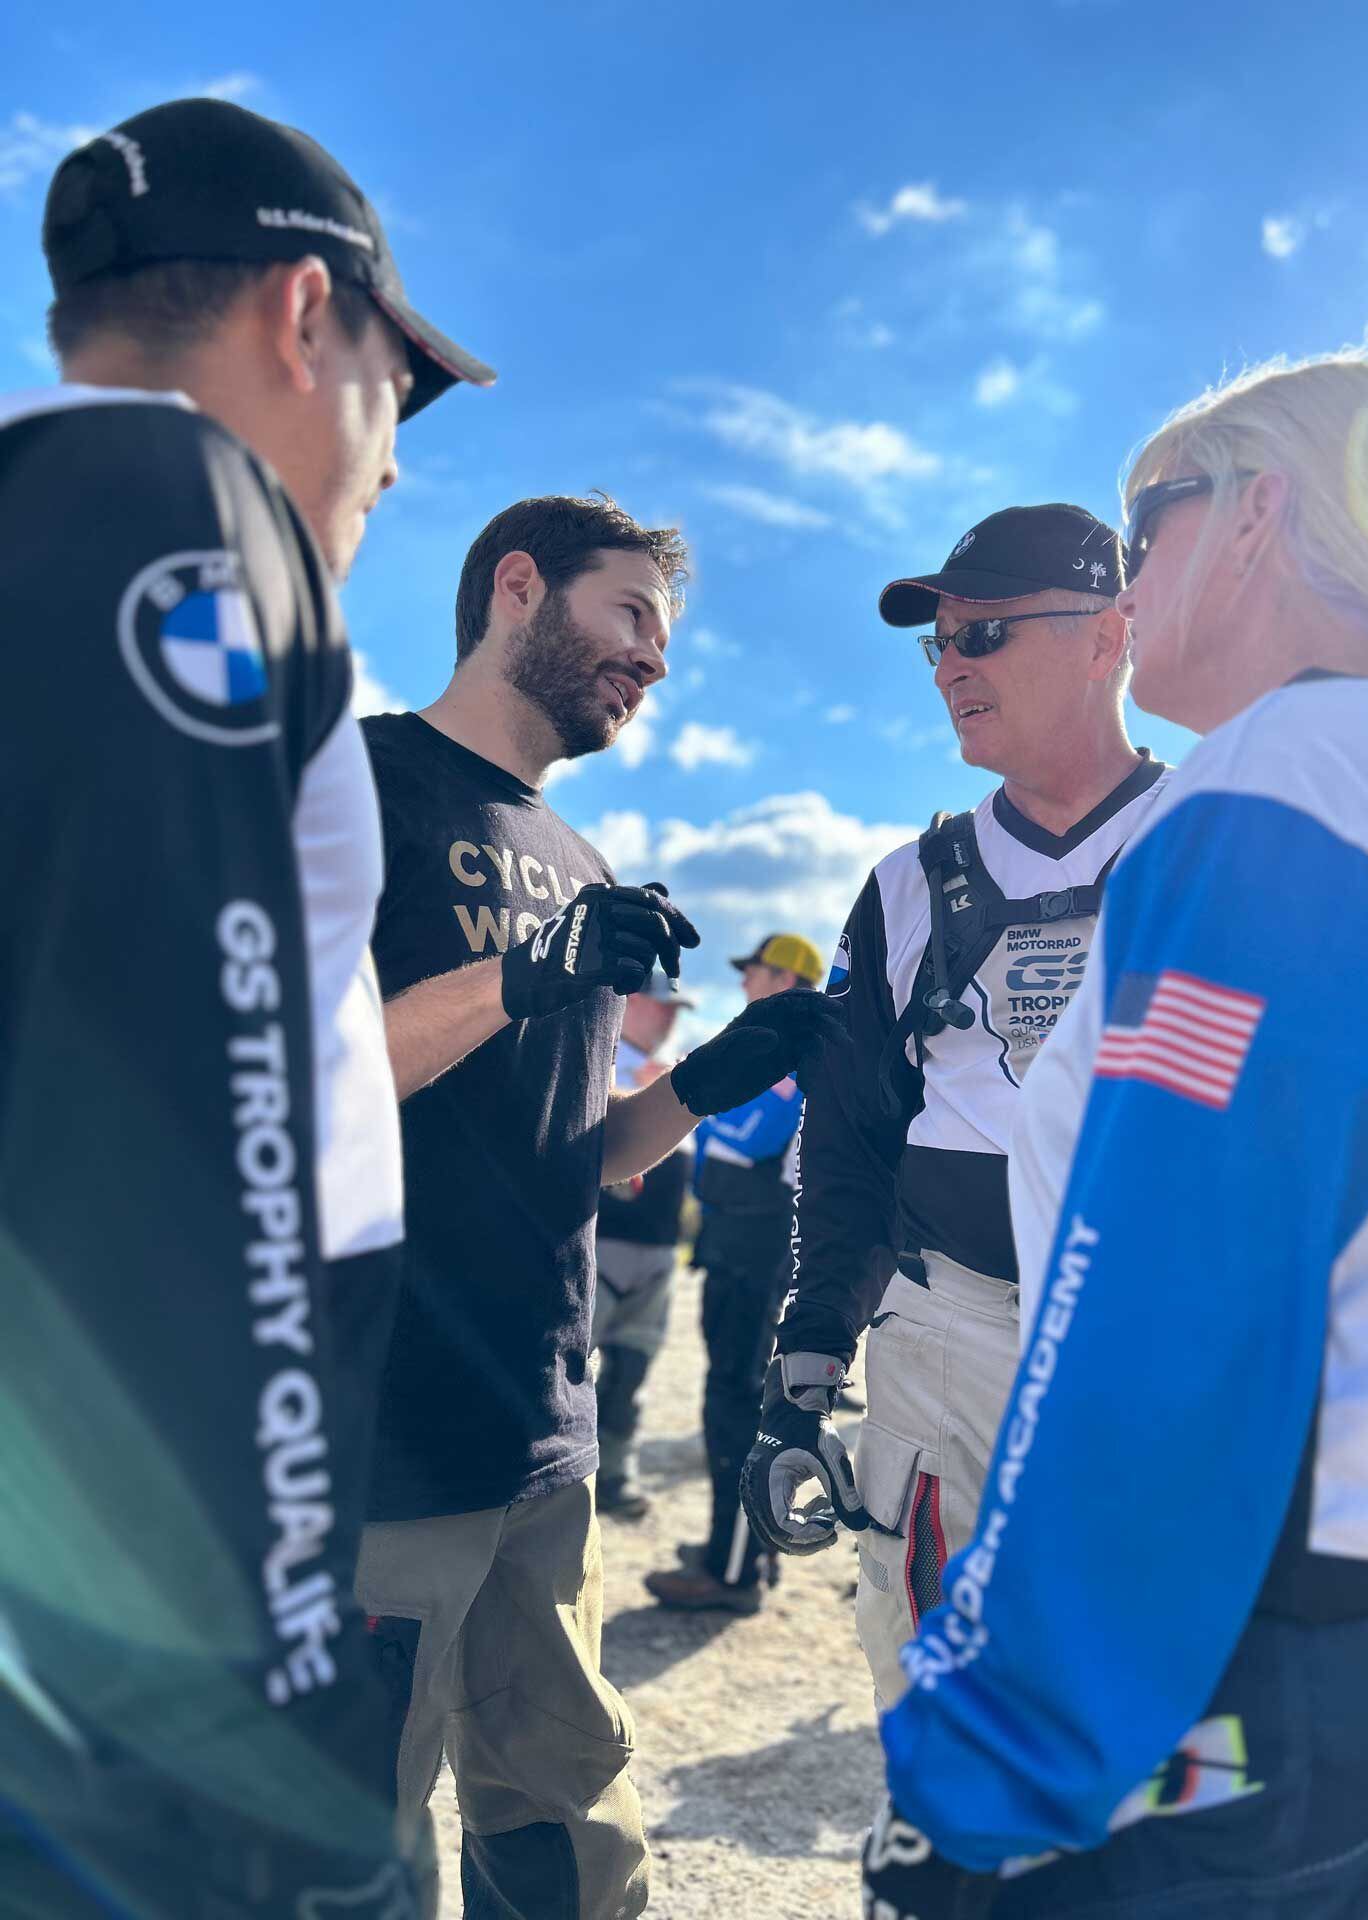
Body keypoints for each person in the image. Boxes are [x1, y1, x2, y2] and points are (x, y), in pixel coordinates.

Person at [0, 97, 492, 1919]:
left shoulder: (49, 516)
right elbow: (194, 1142)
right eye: (393, 385)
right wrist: (261, 1698)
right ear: (304, 315)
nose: (389, 459)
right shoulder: (182, 512)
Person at [875, 352, 1368, 1919]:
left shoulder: (1276, 790)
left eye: (1149, 525)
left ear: (1261, 516)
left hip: (1257, 1645)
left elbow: (1167, 1317)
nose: (1127, 579)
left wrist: (989, 1762)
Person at [355, 493, 844, 1920]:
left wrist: (707, 1080)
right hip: (372, 1439)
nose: (657, 662)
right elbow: (289, 1080)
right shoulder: (354, 784)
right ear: (519, 588)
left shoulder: (576, 865)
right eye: (632, 616)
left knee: (568, 1827)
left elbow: (578, 1150)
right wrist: (520, 974)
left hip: (539, 1442)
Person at [740, 505, 1171, 1710]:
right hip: (945, 1335)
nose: (950, 667)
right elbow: (850, 1144)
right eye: (935, 643)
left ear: (1110, 635)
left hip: (1155, 1336)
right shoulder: (902, 885)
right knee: (938, 1698)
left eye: (983, 631)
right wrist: (805, 1368)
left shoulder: (1215, 842)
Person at [645, 932, 825, 1614]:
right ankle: (745, 1546)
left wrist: (680, 1107)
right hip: (746, 1237)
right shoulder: (789, 1040)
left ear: (784, 977)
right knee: (739, 1394)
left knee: (735, 1401)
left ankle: (733, 1569)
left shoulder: (791, 1047)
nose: (746, 982)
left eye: (753, 971)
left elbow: (742, 1137)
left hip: (759, 1241)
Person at [593, 973, 695, 1521]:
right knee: (570, 1371)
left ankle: (613, 1474)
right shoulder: (598, 1059)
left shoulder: (676, 1069)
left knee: (631, 1374)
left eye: (677, 1010)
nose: (671, 1017)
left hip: (657, 1251)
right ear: (631, 1001)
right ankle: (561, 1484)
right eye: (663, 1007)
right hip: (597, 1245)